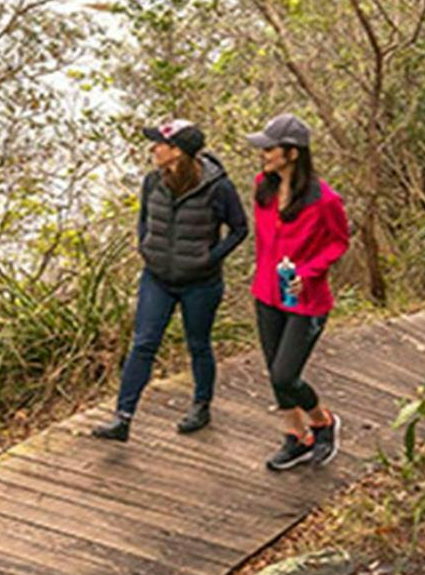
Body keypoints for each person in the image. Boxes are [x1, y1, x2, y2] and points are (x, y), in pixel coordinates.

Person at [92, 119, 249, 442]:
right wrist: (146, 247)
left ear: (177, 151)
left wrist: (209, 258)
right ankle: (122, 418)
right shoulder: (153, 181)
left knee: (198, 344)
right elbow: (144, 220)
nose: (153, 149)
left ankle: (201, 405)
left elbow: (239, 229)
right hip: (158, 278)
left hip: (201, 283)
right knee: (143, 343)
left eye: (159, 144)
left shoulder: (218, 187)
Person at [245, 113, 351, 471]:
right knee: (274, 371)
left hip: (307, 301)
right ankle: (296, 438)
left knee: (285, 375)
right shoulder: (263, 186)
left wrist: (307, 273)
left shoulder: (324, 200)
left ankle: (322, 422)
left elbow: (339, 242)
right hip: (266, 294)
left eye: (269, 148)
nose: (263, 154)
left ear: (292, 153)